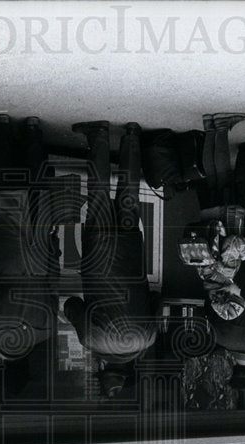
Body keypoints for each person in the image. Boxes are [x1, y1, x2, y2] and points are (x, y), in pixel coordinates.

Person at [64, 120, 158, 393]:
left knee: (129, 196)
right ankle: (99, 135)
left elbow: (154, 299)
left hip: (131, 252)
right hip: (99, 252)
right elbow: (72, 305)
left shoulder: (148, 339)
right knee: (98, 193)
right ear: (104, 368)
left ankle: (132, 136)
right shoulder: (92, 341)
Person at [0, 114, 60, 362]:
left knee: (36, 194)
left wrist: (54, 244)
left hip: (40, 260)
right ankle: (1, 128)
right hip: (4, 261)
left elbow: (54, 284)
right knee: (3, 192)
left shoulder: (47, 330)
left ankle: (32, 130)